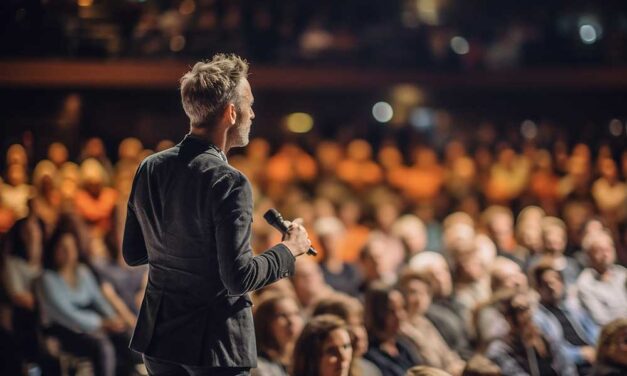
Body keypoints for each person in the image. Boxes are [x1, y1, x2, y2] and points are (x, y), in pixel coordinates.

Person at [122, 54, 312, 376]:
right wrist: (289, 249)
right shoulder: (229, 181)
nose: (253, 113)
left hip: (160, 340)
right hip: (214, 348)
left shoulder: (150, 167)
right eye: (249, 104)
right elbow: (238, 278)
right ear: (231, 112)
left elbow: (134, 253)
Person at [252, 294, 304, 376]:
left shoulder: (306, 361)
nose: (291, 321)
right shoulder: (259, 367)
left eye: (296, 314)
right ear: (265, 322)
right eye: (282, 315)